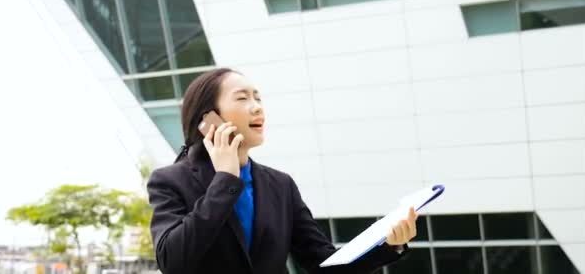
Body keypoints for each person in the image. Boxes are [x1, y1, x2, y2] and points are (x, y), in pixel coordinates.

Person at [147, 68, 418, 274]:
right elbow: (173, 261)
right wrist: (225, 180)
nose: (257, 107)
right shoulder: (170, 181)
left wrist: (388, 244)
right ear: (209, 120)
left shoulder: (280, 185)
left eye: (258, 98)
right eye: (242, 98)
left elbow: (323, 263)